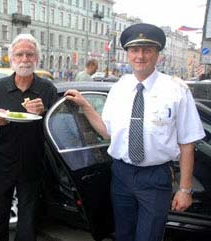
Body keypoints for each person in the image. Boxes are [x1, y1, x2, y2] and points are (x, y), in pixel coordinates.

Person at [64, 23, 205, 241]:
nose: (140, 55)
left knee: (149, 237)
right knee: (123, 235)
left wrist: (185, 190)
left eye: (147, 50)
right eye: (134, 50)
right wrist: (86, 105)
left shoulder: (176, 90)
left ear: (158, 55)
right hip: (121, 174)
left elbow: (187, 143)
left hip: (156, 177)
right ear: (128, 54)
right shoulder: (119, 88)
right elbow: (107, 132)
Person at [0, 34, 58, 241]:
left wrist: (44, 112)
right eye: (20, 54)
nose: (25, 59)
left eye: (29, 54)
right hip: (3, 159)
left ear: (36, 59)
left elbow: (56, 128)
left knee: (28, 215)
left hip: (33, 160)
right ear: (11, 58)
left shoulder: (47, 89)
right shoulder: (0, 86)